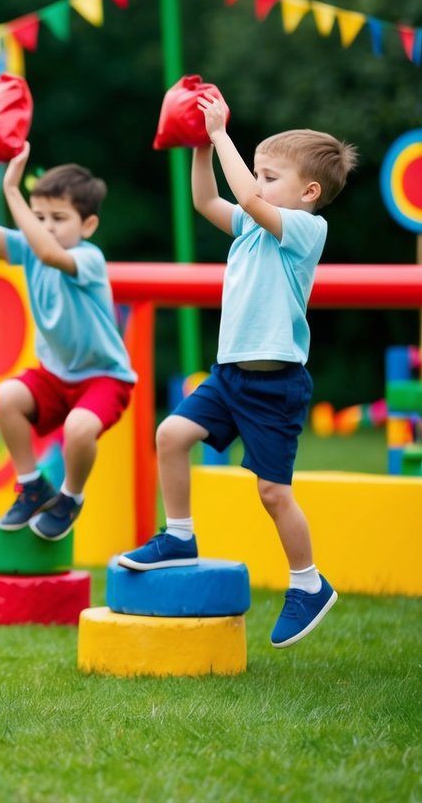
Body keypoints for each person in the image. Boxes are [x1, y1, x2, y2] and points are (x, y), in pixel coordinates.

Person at [119, 95, 358, 649]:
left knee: (273, 493)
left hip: (275, 385)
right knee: (171, 434)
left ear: (309, 193)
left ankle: (309, 583)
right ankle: (179, 536)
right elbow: (207, 198)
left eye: (269, 174)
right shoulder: (252, 229)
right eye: (256, 171)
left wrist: (222, 132)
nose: (254, 181)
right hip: (229, 376)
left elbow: (246, 197)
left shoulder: (302, 231)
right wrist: (202, 144)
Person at [0, 143, 136, 541]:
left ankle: (70, 497)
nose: (46, 225)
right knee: (6, 397)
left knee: (78, 428)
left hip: (104, 377)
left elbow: (48, 249)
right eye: (39, 216)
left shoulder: (88, 258)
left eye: (58, 217)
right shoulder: (29, 250)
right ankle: (33, 484)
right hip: (54, 376)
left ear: (88, 225)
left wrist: (12, 191)